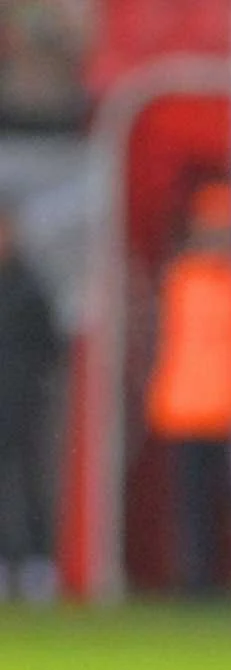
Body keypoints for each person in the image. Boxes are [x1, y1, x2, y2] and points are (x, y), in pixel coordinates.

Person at [145, 180, 231, 595]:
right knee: (195, 503)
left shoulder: (193, 277)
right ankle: (198, 579)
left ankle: (213, 578)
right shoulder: (189, 278)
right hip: (194, 406)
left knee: (215, 503)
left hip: (218, 407)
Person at [0, 203, 61, 602]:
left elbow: (51, 346)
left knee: (30, 480)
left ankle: (39, 564)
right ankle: (5, 560)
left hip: (24, 400)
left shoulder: (30, 286)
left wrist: (30, 381)